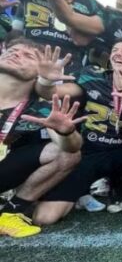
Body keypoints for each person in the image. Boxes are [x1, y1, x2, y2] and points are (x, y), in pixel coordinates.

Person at [32, 32, 122, 224]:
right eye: (115, 50)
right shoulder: (92, 76)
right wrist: (45, 81)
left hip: (121, 153)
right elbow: (50, 93)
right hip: (87, 154)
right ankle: (80, 192)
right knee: (44, 218)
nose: (118, 54)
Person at [0, 38, 83, 238]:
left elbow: (72, 148)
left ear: (41, 73)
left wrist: (66, 131)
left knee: (65, 153)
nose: (16, 54)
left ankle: (10, 213)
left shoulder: (41, 108)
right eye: (12, 50)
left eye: (28, 55)